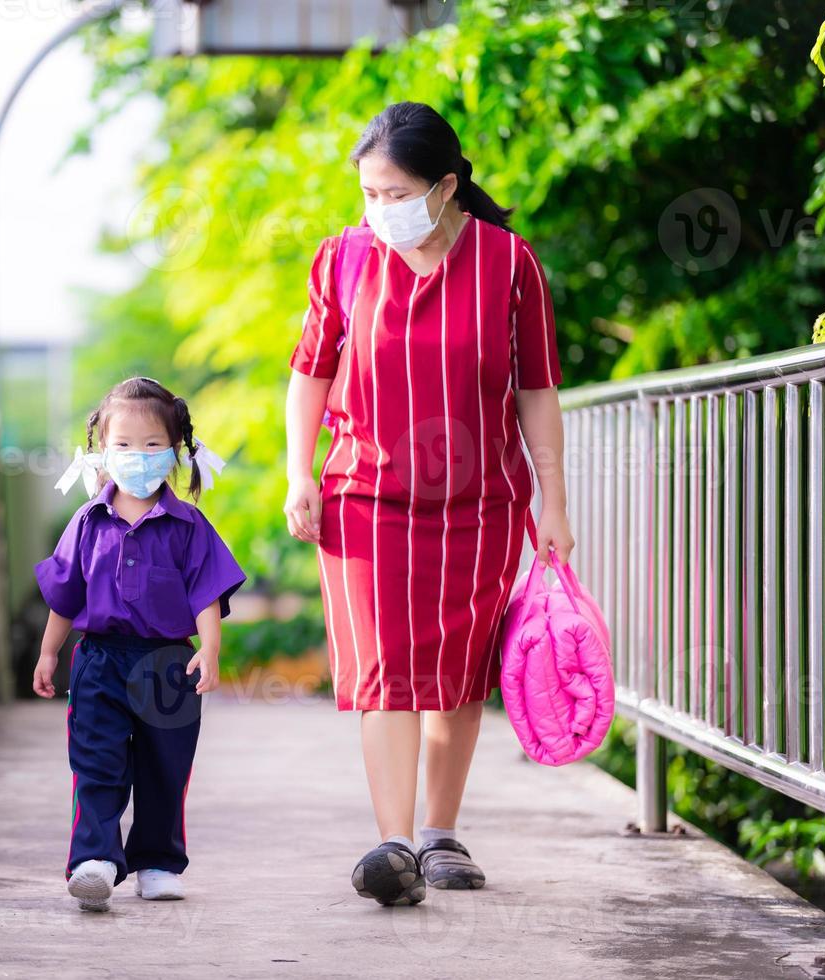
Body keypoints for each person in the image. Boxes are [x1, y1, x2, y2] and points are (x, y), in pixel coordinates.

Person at [283, 102, 575, 907]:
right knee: (384, 672)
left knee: (455, 672)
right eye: (369, 192)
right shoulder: (343, 259)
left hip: (480, 500)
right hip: (364, 493)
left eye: (396, 190)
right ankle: (395, 845)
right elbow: (309, 372)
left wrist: (554, 503)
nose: (381, 208)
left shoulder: (509, 264)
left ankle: (441, 834)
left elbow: (538, 391)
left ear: (446, 187)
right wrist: (297, 472)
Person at [33, 376, 246, 912]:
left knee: (164, 768)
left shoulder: (188, 525)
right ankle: (95, 861)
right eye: (123, 444)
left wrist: (210, 648)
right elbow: (65, 593)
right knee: (96, 762)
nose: (137, 456)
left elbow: (206, 591)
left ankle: (157, 863)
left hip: (169, 665)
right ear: (101, 450)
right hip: (100, 660)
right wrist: (49, 652)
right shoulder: (87, 522)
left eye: (152, 445)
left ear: (176, 452)